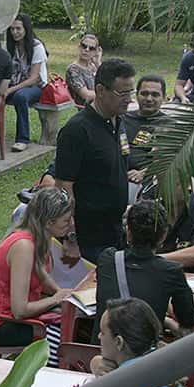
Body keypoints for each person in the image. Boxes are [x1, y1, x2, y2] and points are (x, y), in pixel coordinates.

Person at [0, 187, 75, 365]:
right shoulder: (23, 247)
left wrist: (63, 294)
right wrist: (56, 299)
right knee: (67, 340)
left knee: (74, 320)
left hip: (16, 318)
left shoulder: (39, 237)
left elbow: (42, 275)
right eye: (66, 220)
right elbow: (20, 310)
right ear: (49, 222)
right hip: (3, 325)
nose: (71, 224)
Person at [55, 58, 135, 262]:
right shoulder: (78, 130)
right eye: (122, 94)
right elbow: (64, 187)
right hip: (88, 239)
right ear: (100, 90)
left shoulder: (118, 121)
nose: (128, 99)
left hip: (115, 232)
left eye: (130, 92)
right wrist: (70, 237)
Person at [95, 199, 194, 335]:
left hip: (102, 349)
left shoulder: (107, 259)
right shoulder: (171, 272)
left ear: (128, 231)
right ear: (163, 236)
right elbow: (189, 320)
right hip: (145, 354)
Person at [4, 14, 48, 152]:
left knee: (20, 97)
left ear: (26, 29)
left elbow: (34, 78)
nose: (15, 32)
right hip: (15, 83)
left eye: (18, 29)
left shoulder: (37, 46)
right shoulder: (9, 47)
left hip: (36, 86)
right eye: (12, 29)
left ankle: (22, 139)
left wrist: (10, 90)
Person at [153, 187, 194, 270]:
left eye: (176, 183)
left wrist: (151, 260)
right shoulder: (150, 210)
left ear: (187, 182)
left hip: (188, 277)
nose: (170, 186)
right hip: (151, 274)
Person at [123, 75, 168, 184]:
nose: (149, 99)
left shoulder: (168, 125)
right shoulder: (122, 119)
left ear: (164, 97)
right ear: (137, 95)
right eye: (144, 93)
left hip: (146, 180)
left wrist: (143, 173)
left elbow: (166, 160)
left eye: (155, 95)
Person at [65, 33, 101, 105]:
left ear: (95, 52)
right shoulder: (73, 69)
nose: (87, 50)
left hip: (100, 105)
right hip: (87, 109)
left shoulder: (93, 67)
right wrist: (107, 94)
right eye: (84, 46)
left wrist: (98, 63)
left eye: (91, 48)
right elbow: (86, 95)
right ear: (79, 47)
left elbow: (109, 82)